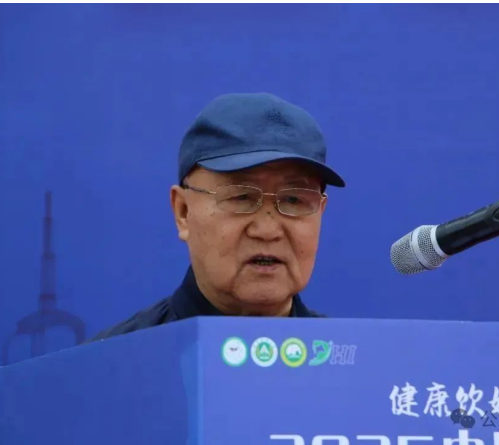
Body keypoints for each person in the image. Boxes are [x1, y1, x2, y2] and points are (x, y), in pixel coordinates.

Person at [88, 92, 345, 342]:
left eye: (294, 200)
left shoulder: (355, 362)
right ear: (183, 212)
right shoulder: (116, 362)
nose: (267, 230)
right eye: (241, 197)